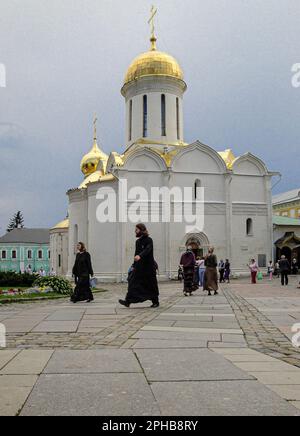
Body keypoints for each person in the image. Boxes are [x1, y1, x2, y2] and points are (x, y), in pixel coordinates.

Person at [119, 224, 159, 308]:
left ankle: (155, 301)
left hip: (148, 267)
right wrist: (133, 265)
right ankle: (128, 301)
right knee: (133, 282)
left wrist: (140, 255)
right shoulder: (137, 241)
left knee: (150, 284)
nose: (135, 231)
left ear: (141, 230)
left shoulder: (149, 240)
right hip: (139, 267)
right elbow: (136, 254)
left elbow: (148, 249)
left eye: (136, 229)